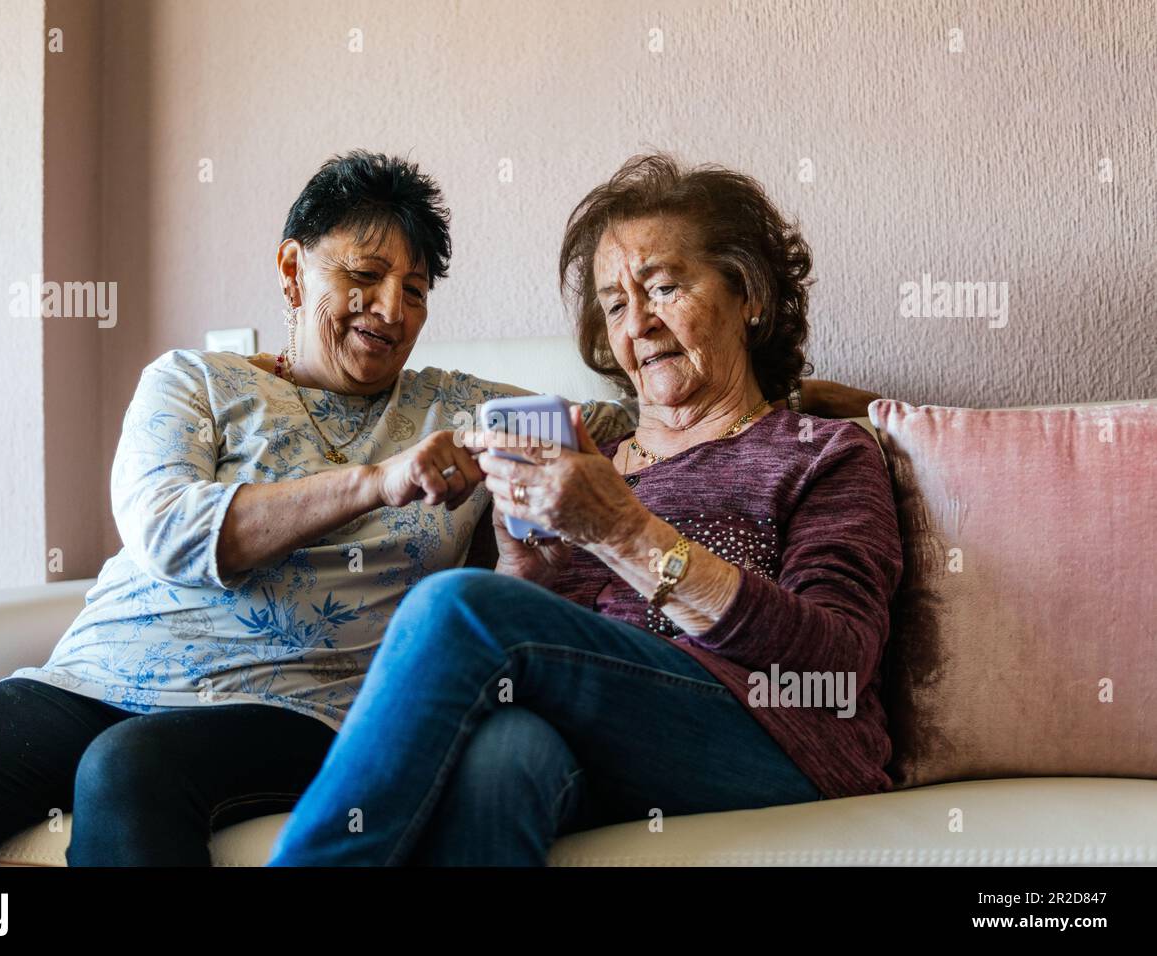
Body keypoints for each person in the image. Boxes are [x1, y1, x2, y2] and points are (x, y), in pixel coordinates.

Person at [0, 151, 873, 866]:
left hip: (311, 701)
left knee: (437, 621)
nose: (392, 305)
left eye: (416, 285)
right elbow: (170, 530)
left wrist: (856, 409)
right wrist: (500, 533)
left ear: (746, 292)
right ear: (293, 268)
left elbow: (826, 658)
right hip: (117, 667)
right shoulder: (195, 380)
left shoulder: (799, 452)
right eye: (615, 302)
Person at [266, 154, 904, 866]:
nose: (640, 324)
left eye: (663, 287)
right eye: (616, 304)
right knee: (504, 759)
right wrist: (525, 573)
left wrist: (623, 532)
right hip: (618, 744)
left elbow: (840, 664)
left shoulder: (822, 452)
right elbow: (545, 656)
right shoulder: (591, 456)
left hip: (782, 740)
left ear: (748, 294)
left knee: (451, 607)